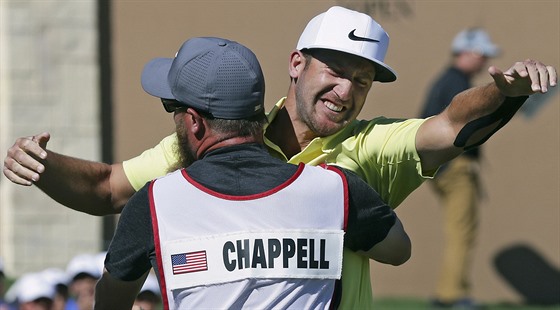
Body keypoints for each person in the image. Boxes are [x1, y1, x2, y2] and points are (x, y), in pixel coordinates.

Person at [2, 5, 557, 309]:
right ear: (297, 63)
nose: (347, 89)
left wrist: (503, 94)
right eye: (335, 70)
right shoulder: (208, 138)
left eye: (362, 80)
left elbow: (453, 125)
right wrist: (42, 165)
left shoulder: (371, 147)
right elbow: (105, 189)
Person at [94, 36, 410, 309]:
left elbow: (109, 302)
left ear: (194, 122)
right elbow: (398, 250)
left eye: (172, 106)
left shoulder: (153, 204)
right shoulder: (337, 190)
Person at [419, 28, 499, 308]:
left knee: (460, 229)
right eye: (481, 54)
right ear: (466, 53)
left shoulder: (450, 80)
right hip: (454, 166)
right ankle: (451, 295)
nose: (484, 61)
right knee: (461, 231)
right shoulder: (456, 83)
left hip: (444, 166)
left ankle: (450, 291)